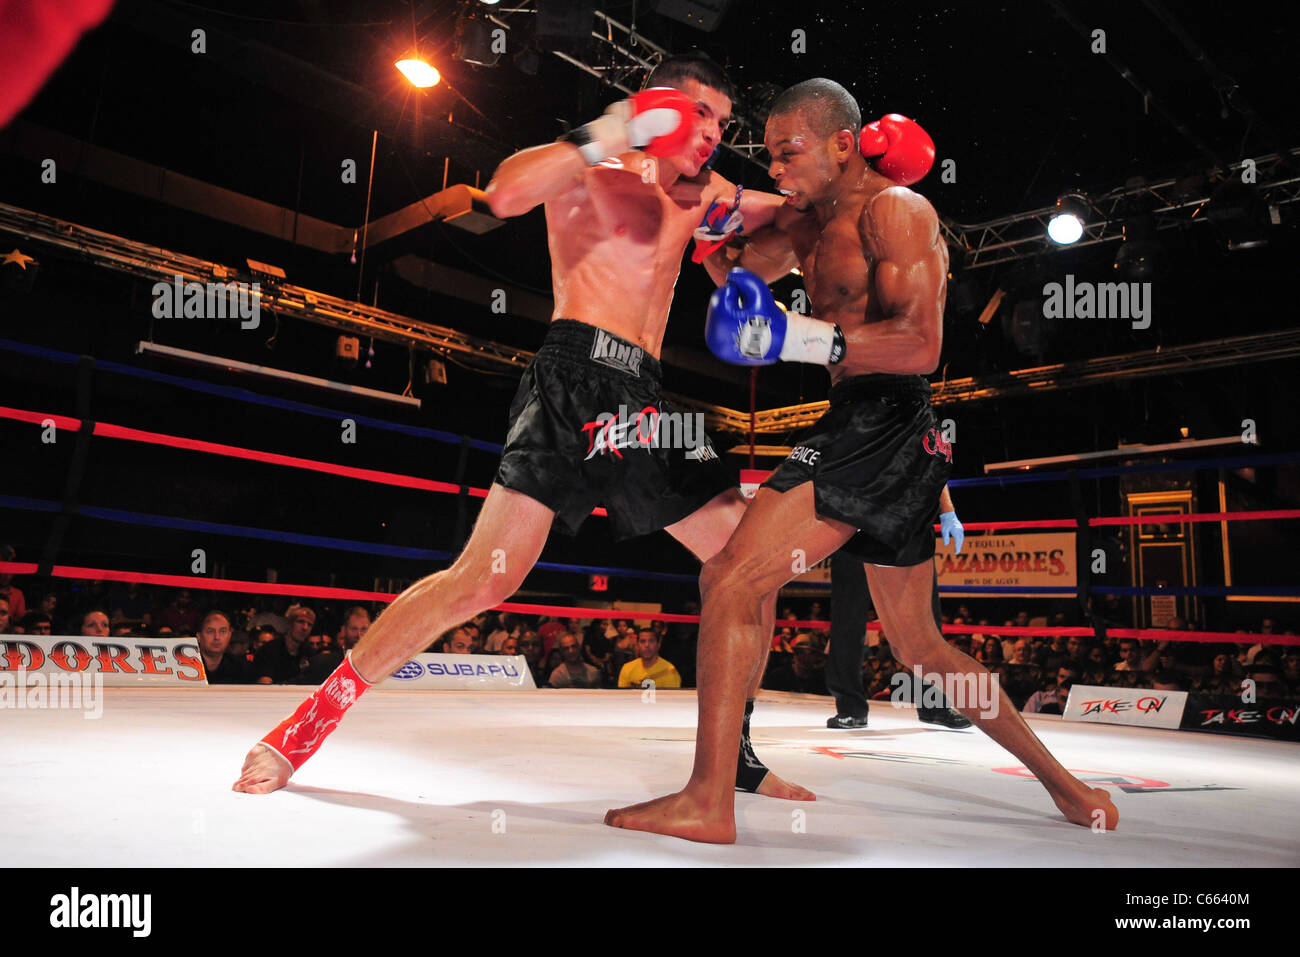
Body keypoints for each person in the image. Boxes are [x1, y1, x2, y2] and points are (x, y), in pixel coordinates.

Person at [233, 53, 810, 801]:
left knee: (751, 561)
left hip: (645, 401)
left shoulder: (708, 196)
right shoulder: (591, 165)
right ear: (658, 102)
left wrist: (838, 181)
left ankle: (733, 751)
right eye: (701, 113)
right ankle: (305, 726)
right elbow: (504, 193)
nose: (713, 134)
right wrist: (615, 130)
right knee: (485, 578)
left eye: (724, 124)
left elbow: (790, 218)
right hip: (572, 378)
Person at [604, 78, 1117, 842]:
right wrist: (701, 223)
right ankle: (1073, 790)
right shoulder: (810, 223)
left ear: (843, 142)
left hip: (885, 420)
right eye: (770, 154)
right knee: (918, 644)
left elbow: (923, 344)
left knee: (729, 575)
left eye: (790, 151)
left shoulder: (897, 211)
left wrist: (798, 339)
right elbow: (739, 274)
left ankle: (708, 799)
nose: (777, 167)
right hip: (871, 426)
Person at [824, 487, 970, 729]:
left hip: (908, 520)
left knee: (925, 618)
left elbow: (937, 459)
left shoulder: (923, 449)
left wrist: (948, 511)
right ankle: (850, 707)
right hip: (855, 519)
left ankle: (932, 704)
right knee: (848, 615)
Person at [617, 629, 681, 689]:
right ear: (637, 645)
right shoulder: (627, 668)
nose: (647, 645)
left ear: (658, 645)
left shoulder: (670, 671)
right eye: (642, 641)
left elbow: (671, 700)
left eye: (651, 641)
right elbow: (623, 698)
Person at [198, 610, 250, 684]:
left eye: (223, 631)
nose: (217, 637)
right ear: (199, 636)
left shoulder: (240, 667)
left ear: (229, 635)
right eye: (210, 631)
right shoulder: (185, 666)